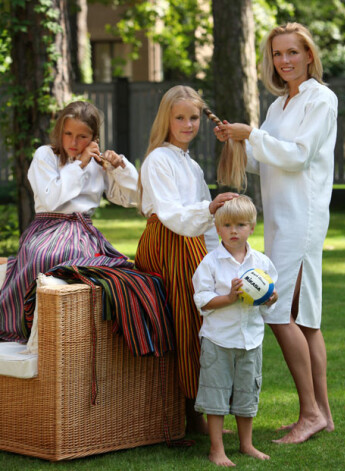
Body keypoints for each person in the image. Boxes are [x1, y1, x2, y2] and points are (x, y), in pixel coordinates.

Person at [214, 22, 337, 444]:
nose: (284, 61)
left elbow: (299, 157)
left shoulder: (321, 99)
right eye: (277, 55)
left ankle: (310, 413)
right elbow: (268, 160)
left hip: (302, 217)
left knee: (276, 310)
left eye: (292, 53)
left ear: (308, 55)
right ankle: (323, 413)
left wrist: (254, 136)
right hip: (282, 219)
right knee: (305, 320)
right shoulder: (279, 106)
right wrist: (237, 142)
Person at [134, 85, 238, 433]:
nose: (188, 124)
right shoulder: (158, 159)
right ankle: (192, 411)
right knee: (186, 320)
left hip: (189, 242)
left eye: (193, 117)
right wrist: (209, 208)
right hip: (168, 243)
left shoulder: (189, 164)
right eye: (180, 117)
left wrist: (217, 257)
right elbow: (171, 215)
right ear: (167, 119)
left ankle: (200, 407)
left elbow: (205, 223)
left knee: (201, 319)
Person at [0, 100, 139, 342]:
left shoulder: (99, 164)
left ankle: (77, 329)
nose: (74, 143)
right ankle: (25, 323)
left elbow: (133, 198)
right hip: (47, 228)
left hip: (82, 232)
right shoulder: (45, 155)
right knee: (44, 257)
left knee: (111, 272)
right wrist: (79, 165)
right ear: (60, 132)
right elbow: (52, 199)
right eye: (68, 134)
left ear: (94, 138)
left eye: (82, 136)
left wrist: (120, 168)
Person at [192, 195, 278, 467]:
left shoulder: (261, 263)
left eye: (241, 225)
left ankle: (246, 444)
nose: (233, 231)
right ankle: (216, 449)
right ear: (217, 228)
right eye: (227, 225)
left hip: (250, 340)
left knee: (246, 393)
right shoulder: (211, 263)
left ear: (252, 227)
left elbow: (270, 298)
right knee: (215, 393)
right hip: (218, 340)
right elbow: (202, 299)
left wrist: (270, 298)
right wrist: (229, 297)